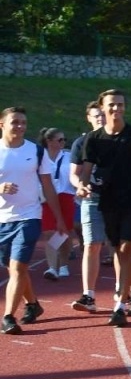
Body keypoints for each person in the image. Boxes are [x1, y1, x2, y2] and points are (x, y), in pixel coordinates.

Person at [75, 89, 131, 326]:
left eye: (120, 104)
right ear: (102, 108)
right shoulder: (94, 139)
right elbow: (85, 171)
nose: (116, 109)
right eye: (112, 105)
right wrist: (82, 186)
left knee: (126, 249)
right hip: (108, 202)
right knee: (117, 251)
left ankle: (120, 305)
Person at [0, 108, 65, 333]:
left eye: (23, 123)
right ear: (2, 124)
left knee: (18, 267)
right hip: (2, 219)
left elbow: (47, 185)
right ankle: (33, 304)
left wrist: (58, 217)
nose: (19, 126)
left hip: (28, 216)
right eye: (14, 122)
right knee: (13, 267)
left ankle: (8, 317)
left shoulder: (36, 151)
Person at [68, 101, 106, 310]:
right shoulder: (80, 143)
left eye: (102, 114)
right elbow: (73, 174)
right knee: (92, 244)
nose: (100, 118)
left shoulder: (118, 141)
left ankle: (130, 292)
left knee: (121, 248)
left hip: (116, 200)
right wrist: (80, 186)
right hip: (91, 198)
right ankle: (88, 295)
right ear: (89, 119)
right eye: (95, 116)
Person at [37, 127, 75, 282]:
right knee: (49, 232)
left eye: (64, 139)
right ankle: (52, 267)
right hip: (47, 197)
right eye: (60, 139)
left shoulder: (68, 156)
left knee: (63, 232)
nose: (63, 142)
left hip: (66, 196)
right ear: (49, 141)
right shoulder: (40, 157)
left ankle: (64, 264)